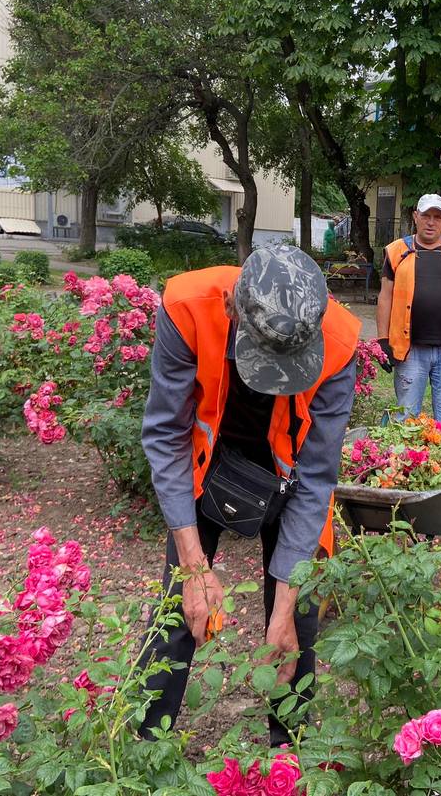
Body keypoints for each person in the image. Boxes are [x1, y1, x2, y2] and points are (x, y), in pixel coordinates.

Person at [137, 244, 360, 746]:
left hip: (291, 471)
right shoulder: (187, 305)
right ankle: (146, 744)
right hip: (204, 460)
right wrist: (195, 566)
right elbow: (166, 435)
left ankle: (289, 750)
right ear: (233, 308)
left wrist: (282, 611)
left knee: (296, 621)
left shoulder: (339, 343)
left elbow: (317, 477)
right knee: (179, 604)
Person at [375, 193, 441, 429]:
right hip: (410, 351)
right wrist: (382, 341)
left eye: (437, 217)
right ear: (416, 217)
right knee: (406, 419)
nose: (431, 222)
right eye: (426, 216)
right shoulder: (396, 251)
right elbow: (385, 297)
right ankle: (407, 465)